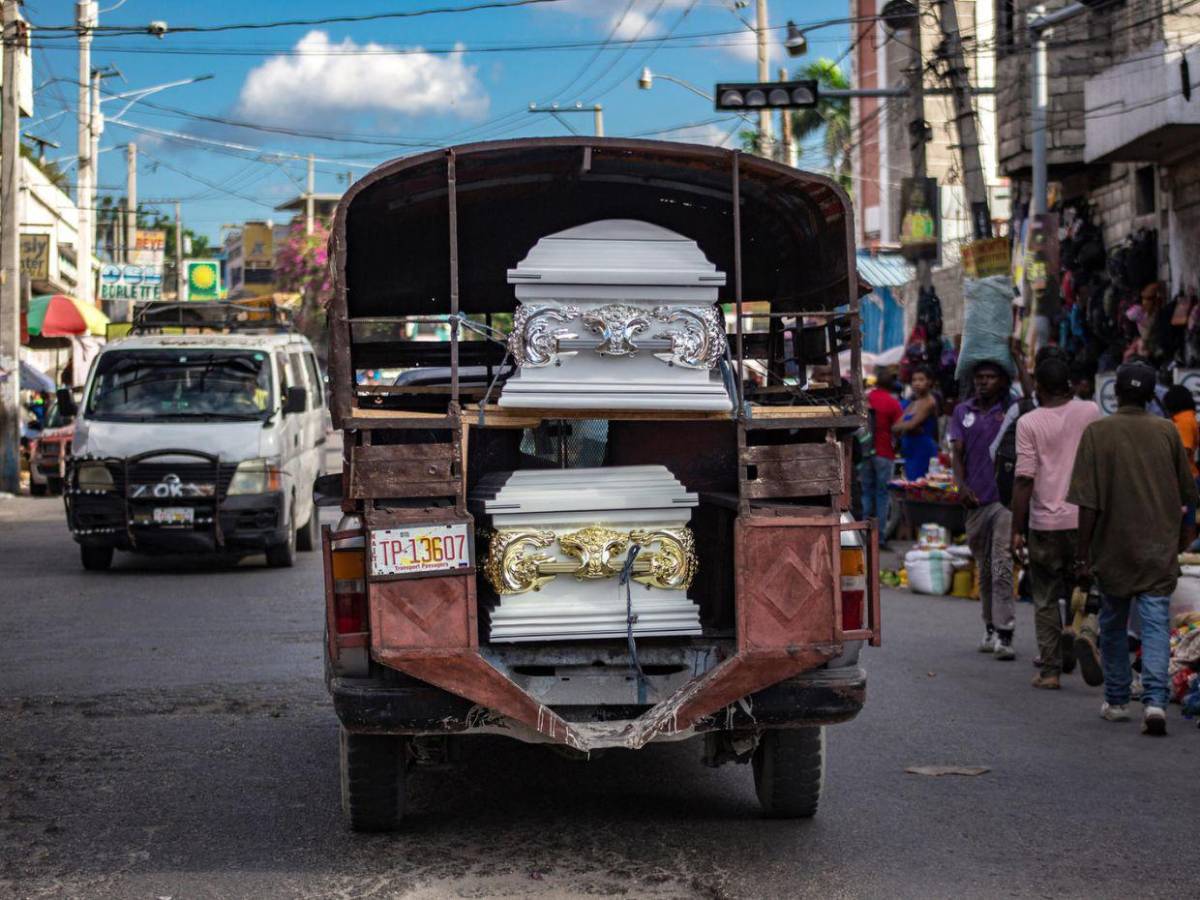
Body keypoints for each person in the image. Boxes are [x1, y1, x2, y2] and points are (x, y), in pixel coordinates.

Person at [1067, 362, 1199, 735]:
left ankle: (1118, 700)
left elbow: (1087, 502)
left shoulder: (1098, 432)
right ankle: (1155, 702)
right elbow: (1188, 492)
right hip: (1157, 548)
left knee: (1113, 623)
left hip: (1113, 548)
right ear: (1151, 396)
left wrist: (1082, 555)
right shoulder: (1168, 431)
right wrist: (1183, 537)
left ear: (1116, 393)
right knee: (1155, 625)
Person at [1010, 357, 1100, 689]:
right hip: (1085, 519)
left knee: (1046, 596)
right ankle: (1082, 631)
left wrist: (1016, 529)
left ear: (1040, 388)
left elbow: (1024, 479)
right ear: (1069, 385)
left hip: (1045, 524)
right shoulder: (1090, 411)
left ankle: (1050, 671)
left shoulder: (1029, 423)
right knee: (1086, 584)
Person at [949, 359, 1018, 660]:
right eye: (980, 377)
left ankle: (1005, 631)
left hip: (1005, 502)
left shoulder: (1012, 410)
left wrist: (1018, 361)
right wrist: (960, 486)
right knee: (985, 567)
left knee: (1002, 566)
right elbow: (956, 453)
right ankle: (990, 626)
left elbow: (1031, 401)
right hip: (975, 501)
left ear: (1002, 381)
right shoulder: (962, 412)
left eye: (990, 377)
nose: (984, 382)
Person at [860, 367, 903, 532]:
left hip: (865, 451)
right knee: (882, 494)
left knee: (866, 492)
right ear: (891, 385)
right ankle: (880, 536)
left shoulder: (867, 397)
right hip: (885, 453)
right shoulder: (893, 403)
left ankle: (864, 532)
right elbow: (898, 429)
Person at [893, 365, 939, 480]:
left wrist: (902, 427)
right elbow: (896, 425)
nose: (917, 383)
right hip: (909, 450)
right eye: (914, 380)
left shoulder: (929, 401)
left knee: (920, 485)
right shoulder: (912, 402)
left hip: (923, 450)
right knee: (910, 484)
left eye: (921, 379)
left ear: (929, 382)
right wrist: (902, 427)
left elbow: (910, 425)